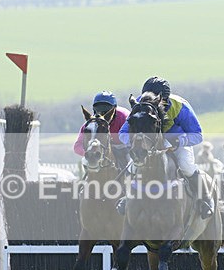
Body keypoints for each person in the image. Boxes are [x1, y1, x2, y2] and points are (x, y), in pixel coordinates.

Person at [119, 76, 213, 219]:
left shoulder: (180, 106)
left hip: (177, 142)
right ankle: (127, 198)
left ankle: (206, 200)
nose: (150, 103)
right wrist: (135, 142)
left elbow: (198, 135)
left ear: (165, 99)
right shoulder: (139, 106)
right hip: (149, 144)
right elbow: (123, 133)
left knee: (186, 166)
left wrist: (180, 142)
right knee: (132, 166)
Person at [73, 91, 130, 171]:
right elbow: (77, 146)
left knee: (131, 164)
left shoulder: (123, 117)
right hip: (102, 149)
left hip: (123, 147)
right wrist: (88, 152)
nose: (103, 113)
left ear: (114, 109)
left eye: (106, 110)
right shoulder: (91, 124)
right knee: (86, 161)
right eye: (99, 109)